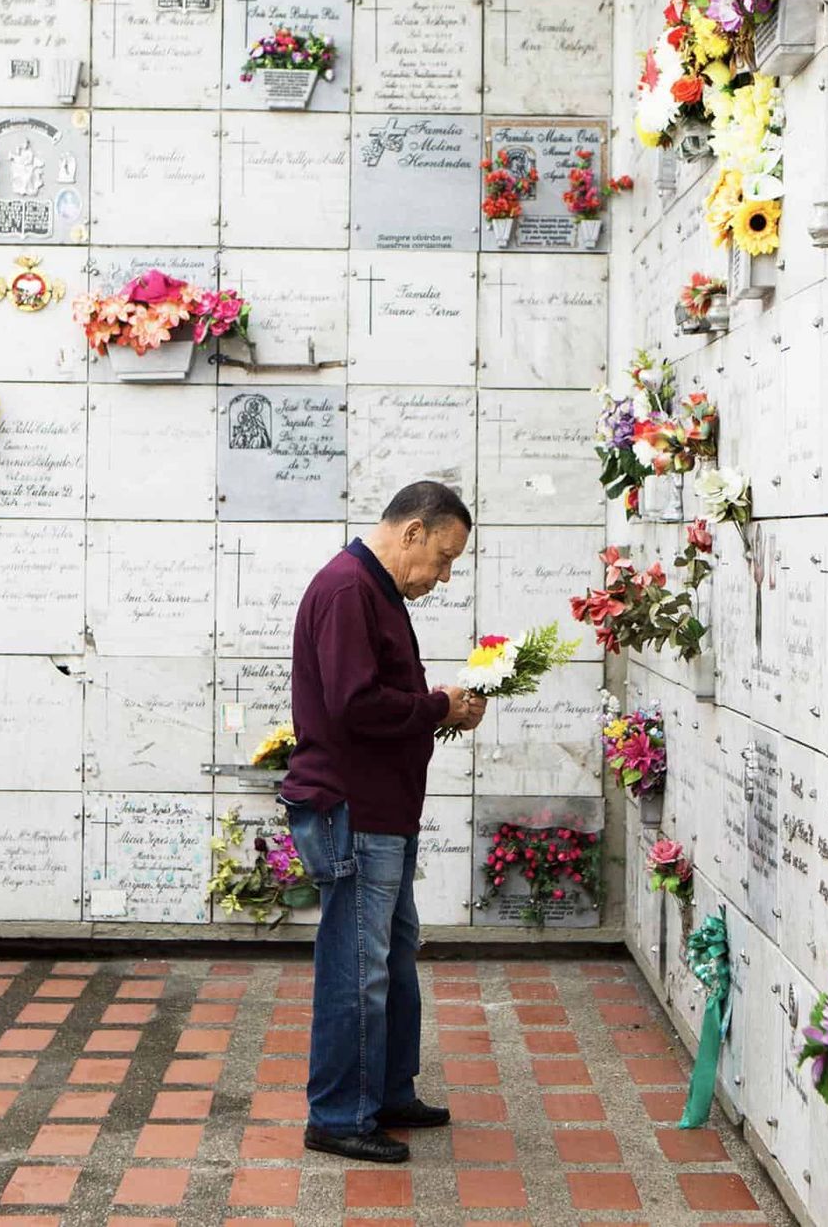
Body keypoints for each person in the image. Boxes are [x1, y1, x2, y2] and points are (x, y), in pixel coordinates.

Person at [280, 481, 485, 1163]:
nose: (444, 575)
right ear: (414, 532)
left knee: (393, 957)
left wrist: (439, 708)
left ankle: (388, 1089)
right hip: (353, 811)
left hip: (381, 812)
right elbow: (356, 706)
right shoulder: (348, 590)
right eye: (444, 558)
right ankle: (339, 1113)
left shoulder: (375, 589)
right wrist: (436, 706)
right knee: (357, 967)